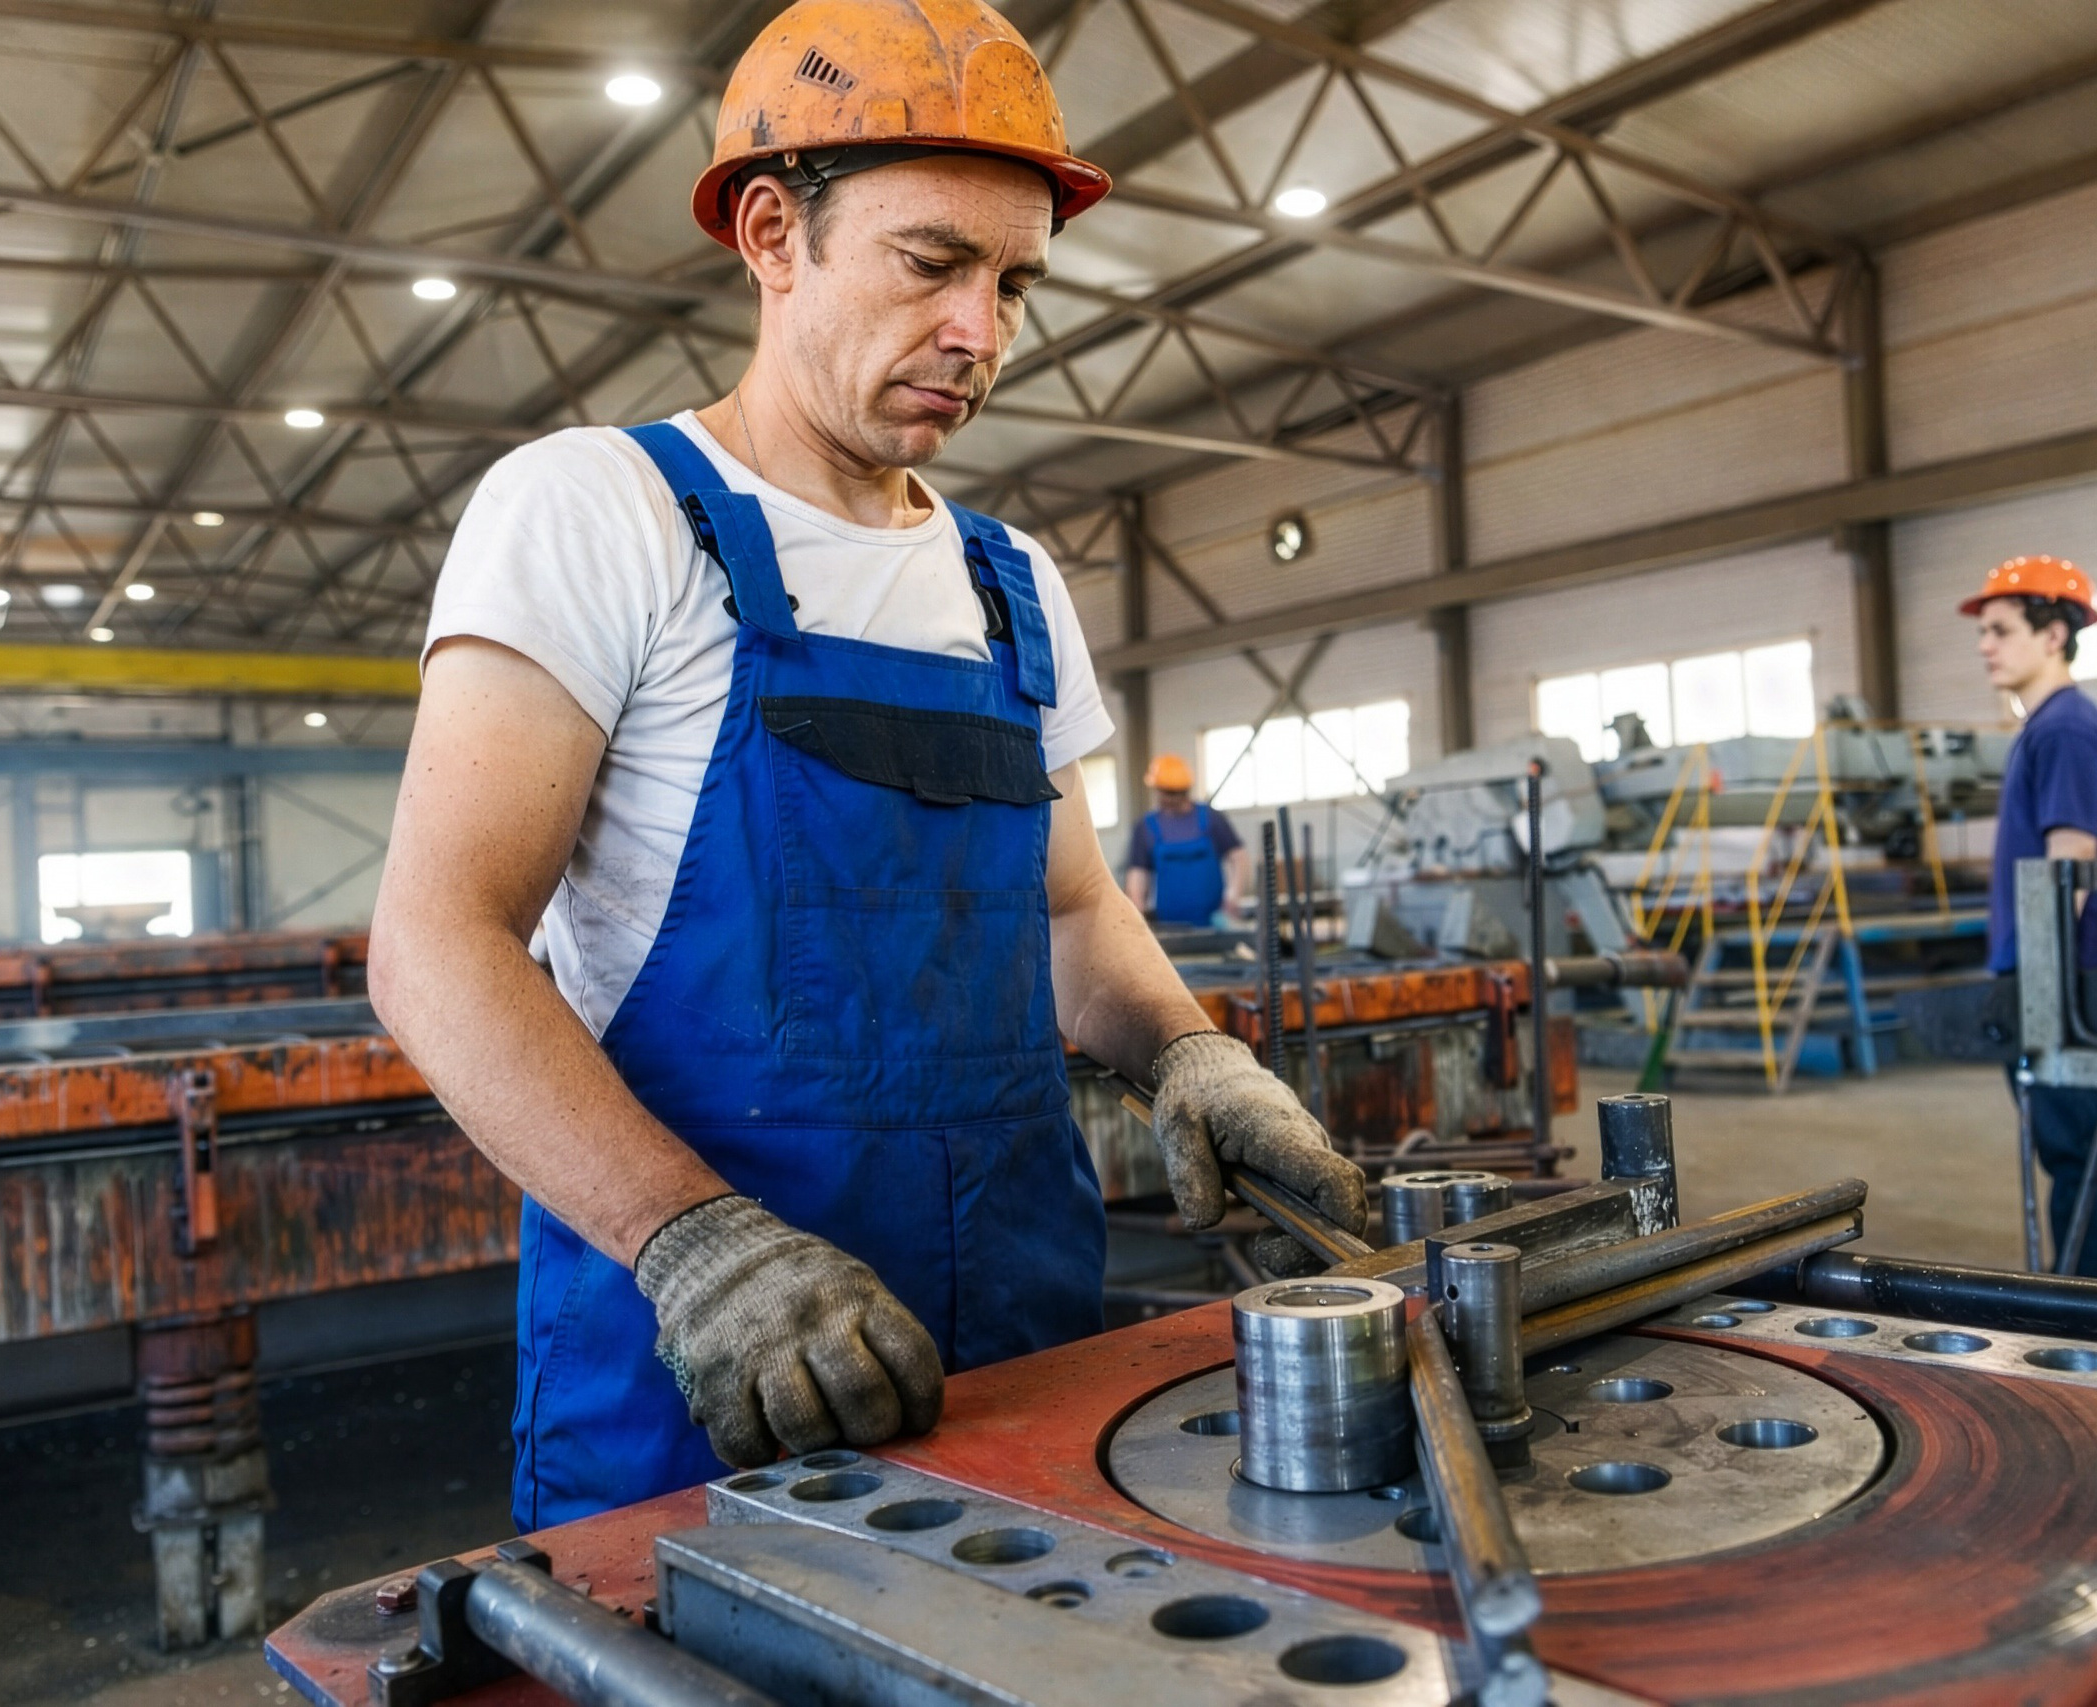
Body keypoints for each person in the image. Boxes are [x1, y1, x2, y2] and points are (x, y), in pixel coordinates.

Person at [366, 0, 1365, 1531]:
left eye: (1017, 281)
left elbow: (1076, 915)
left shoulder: (1008, 578)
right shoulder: (598, 512)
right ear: (773, 233)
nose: (985, 331)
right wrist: (699, 1242)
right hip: (705, 1372)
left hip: (1022, 1335)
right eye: (931, 263)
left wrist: (1189, 1052)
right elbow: (437, 941)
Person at [1966, 554, 2097, 1281]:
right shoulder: (2047, 726)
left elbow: (2069, 859)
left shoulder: (2064, 729)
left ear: (2054, 634)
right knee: (2082, 1146)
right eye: (1983, 631)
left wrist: (2043, 983)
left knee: (2088, 1148)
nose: (1985, 644)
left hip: (2069, 972)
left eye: (2000, 629)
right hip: (2061, 968)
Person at [1120, 754, 1248, 927]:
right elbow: (1137, 875)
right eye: (1166, 792)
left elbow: (1238, 857)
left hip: (1214, 923)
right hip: (1170, 926)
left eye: (1176, 793)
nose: (1170, 798)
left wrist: (1233, 895)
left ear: (1186, 790)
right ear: (1157, 789)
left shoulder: (1211, 818)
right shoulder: (1146, 827)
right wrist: (1137, 914)